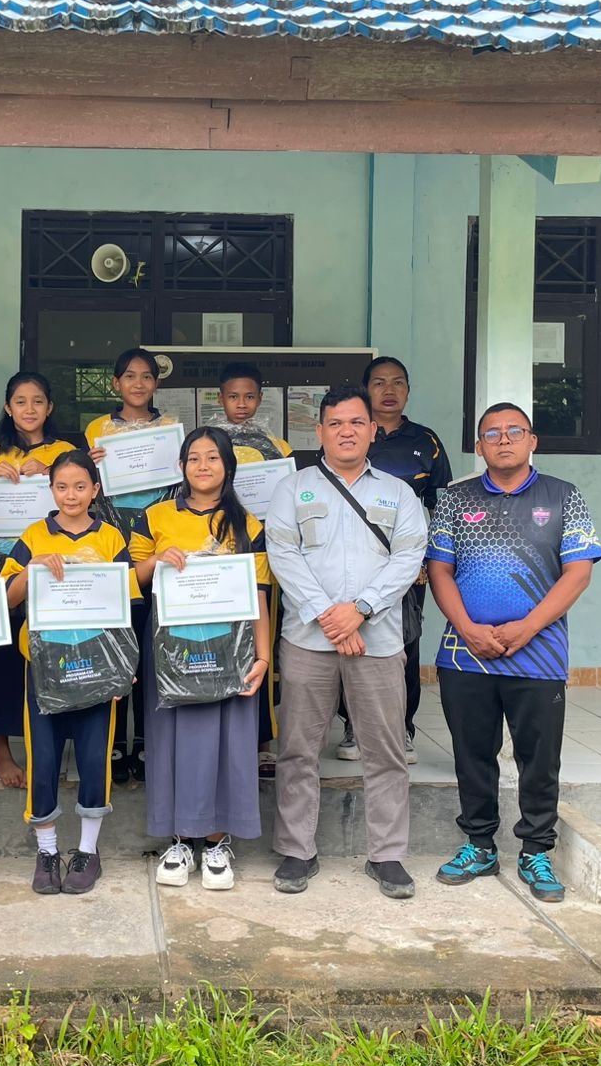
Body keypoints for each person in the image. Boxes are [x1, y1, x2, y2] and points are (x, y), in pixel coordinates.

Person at [427, 402, 601, 905]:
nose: (503, 441)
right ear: (479, 446)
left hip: (539, 654)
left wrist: (528, 627)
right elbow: (439, 570)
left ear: (533, 441)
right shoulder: (456, 499)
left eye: (514, 432)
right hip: (466, 655)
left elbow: (579, 571)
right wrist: (467, 629)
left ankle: (536, 850)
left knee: (539, 758)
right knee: (472, 754)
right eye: (492, 434)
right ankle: (479, 844)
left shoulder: (563, 497)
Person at [264, 386, 428, 900]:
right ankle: (297, 850)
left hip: (376, 641)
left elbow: (409, 557)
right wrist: (328, 617)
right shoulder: (292, 490)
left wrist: (357, 611)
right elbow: (282, 555)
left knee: (384, 752)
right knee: (297, 749)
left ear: (372, 429)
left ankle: (388, 856)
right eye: (336, 423)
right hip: (308, 641)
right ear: (320, 432)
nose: (347, 431)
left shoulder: (399, 495)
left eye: (356, 422)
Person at [131, 427, 271, 891]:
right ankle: (177, 839)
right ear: (182, 466)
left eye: (213, 457)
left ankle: (216, 841)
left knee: (227, 742)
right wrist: (157, 562)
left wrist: (264, 656)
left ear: (228, 466)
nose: (204, 465)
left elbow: (260, 593)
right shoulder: (154, 518)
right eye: (194, 458)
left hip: (231, 652)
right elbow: (129, 582)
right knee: (173, 740)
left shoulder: (248, 525)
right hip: (171, 651)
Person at [2, 450, 142, 897]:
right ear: (51, 490)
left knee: (93, 759)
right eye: (62, 486)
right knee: (42, 760)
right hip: (44, 669)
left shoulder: (110, 539)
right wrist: (31, 569)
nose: (71, 495)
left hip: (98, 669)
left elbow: (129, 607)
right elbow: (6, 598)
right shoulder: (33, 535)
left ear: (95, 490)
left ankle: (86, 851)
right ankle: (46, 852)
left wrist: (124, 666)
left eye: (81, 486)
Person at [0, 371, 77, 789]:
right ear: (8, 408)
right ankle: (5, 751)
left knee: (53, 653)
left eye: (38, 401)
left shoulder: (66, 450)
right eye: (21, 401)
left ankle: (50, 746)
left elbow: (82, 494)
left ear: (50, 407)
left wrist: (48, 469)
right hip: (0, 566)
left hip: (55, 566)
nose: (30, 409)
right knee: (1, 659)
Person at [86, 347, 181, 785]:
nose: (139, 384)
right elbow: (87, 488)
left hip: (156, 544)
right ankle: (114, 745)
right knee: (115, 642)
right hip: (112, 547)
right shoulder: (97, 429)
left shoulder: (171, 430)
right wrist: (93, 465)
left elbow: (180, 483)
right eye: (129, 376)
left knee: (150, 644)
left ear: (156, 383)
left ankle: (143, 744)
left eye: (146, 376)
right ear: (115, 383)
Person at [356, 355, 455, 766]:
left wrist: (430, 562)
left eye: (398, 383)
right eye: (379, 383)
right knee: (354, 642)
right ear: (367, 390)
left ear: (408, 391)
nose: (389, 390)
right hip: (356, 562)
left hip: (408, 568)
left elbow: (443, 505)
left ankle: (402, 728)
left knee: (404, 644)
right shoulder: (354, 434)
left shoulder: (425, 441)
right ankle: (353, 725)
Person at [212, 361, 292, 776]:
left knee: (263, 647)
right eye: (232, 396)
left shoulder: (277, 447)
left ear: (261, 399)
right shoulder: (211, 444)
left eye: (248, 397)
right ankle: (222, 731)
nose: (240, 405)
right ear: (220, 399)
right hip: (218, 558)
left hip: (262, 555)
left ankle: (262, 736)